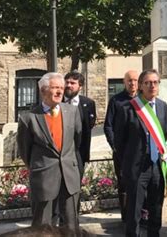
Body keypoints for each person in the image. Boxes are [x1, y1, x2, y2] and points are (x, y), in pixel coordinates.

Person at [17, 72, 82, 229]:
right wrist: (39, 166)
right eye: (55, 88)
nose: (60, 91)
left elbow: (77, 141)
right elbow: (25, 151)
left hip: (69, 178)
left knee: (71, 225)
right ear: (43, 90)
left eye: (61, 87)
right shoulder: (29, 118)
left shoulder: (72, 112)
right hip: (44, 178)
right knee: (43, 226)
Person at [115, 69, 167, 237]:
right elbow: (119, 141)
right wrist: (128, 164)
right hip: (137, 168)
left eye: (155, 82)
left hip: (156, 167)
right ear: (141, 86)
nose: (152, 86)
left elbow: (164, 134)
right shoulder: (128, 109)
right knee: (134, 211)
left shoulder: (162, 106)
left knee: (156, 208)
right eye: (148, 83)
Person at [103, 69, 139, 220]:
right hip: (122, 152)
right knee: (124, 184)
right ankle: (126, 217)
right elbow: (108, 125)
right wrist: (115, 146)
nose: (132, 83)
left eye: (135, 80)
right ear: (124, 82)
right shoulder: (116, 100)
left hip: (139, 151)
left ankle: (140, 215)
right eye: (129, 80)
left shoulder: (143, 100)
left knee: (140, 184)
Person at [64, 71, 97, 173]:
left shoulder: (88, 103)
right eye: (67, 82)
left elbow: (89, 126)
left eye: (73, 83)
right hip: (61, 153)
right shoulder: (57, 102)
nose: (69, 85)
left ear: (80, 86)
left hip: (79, 153)